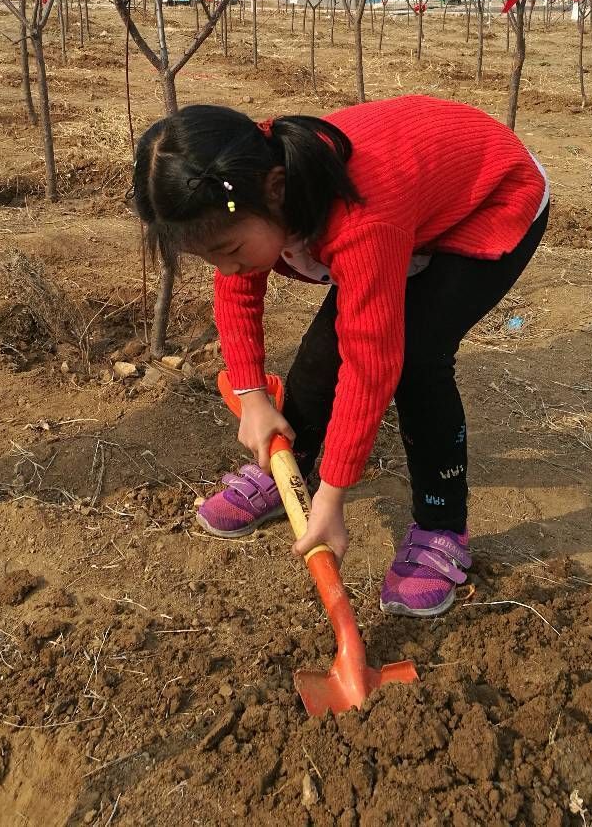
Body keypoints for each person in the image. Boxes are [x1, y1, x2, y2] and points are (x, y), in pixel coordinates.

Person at [130, 94, 549, 617]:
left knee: (417, 358)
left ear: (277, 192)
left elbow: (371, 364)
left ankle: (442, 525)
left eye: (232, 252)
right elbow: (236, 289)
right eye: (210, 256)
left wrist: (334, 496)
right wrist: (253, 396)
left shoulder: (356, 219)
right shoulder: (238, 177)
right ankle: (291, 466)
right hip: (409, 203)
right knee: (324, 348)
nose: (228, 268)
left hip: (490, 198)